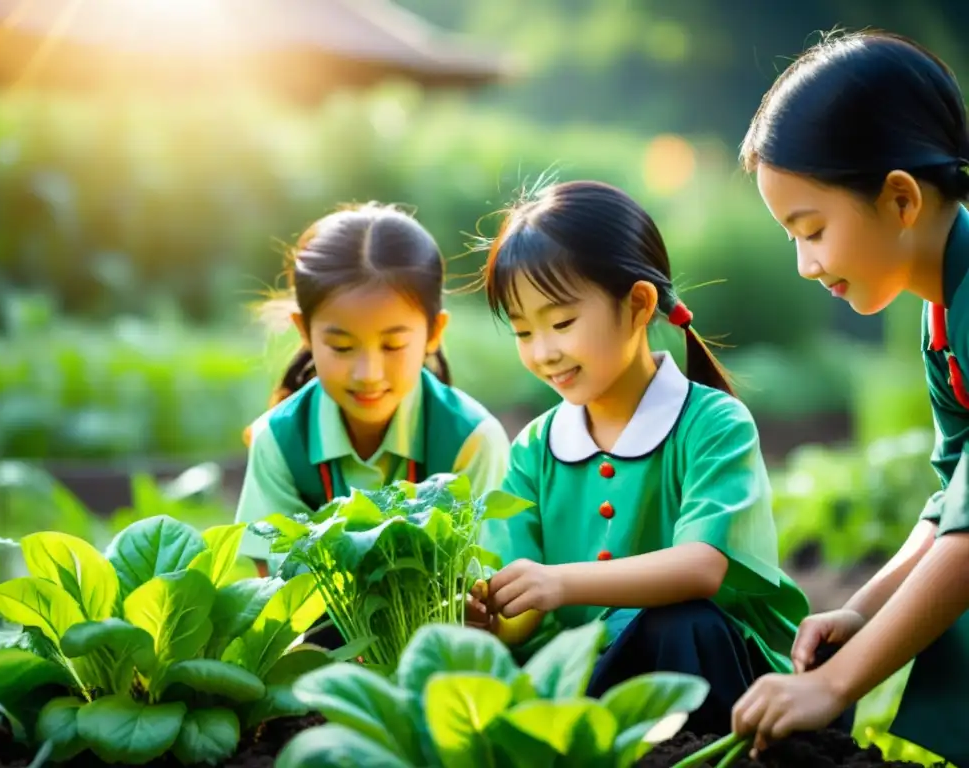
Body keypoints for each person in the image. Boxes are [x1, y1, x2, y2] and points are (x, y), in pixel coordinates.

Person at [467, 179, 810, 737]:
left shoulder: (712, 424)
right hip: (591, 679)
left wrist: (560, 582)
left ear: (638, 305)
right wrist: (491, 616)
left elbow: (702, 566)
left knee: (684, 623)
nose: (543, 351)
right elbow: (522, 610)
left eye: (560, 323)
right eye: (523, 331)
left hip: (711, 681)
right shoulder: (534, 448)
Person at [729, 30, 969, 765]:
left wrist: (834, 687)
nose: (803, 265)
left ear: (899, 198)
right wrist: (864, 610)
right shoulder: (942, 315)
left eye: (813, 230)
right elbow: (954, 498)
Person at [235, 201, 511, 585]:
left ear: (434, 332)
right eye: (343, 347)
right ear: (304, 332)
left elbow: (478, 582)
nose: (368, 374)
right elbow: (280, 589)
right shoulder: (278, 441)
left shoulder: (472, 441)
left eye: (393, 345)